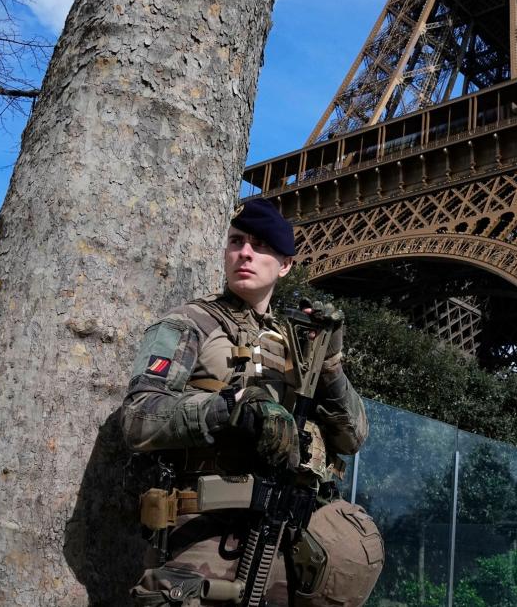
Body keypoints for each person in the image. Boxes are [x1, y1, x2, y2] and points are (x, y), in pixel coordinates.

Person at [120, 199, 382, 606]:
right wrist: (232, 409)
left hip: (288, 542)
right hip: (203, 537)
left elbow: (352, 437)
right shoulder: (190, 323)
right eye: (237, 241)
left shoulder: (299, 343)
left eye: (260, 246)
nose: (245, 252)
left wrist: (330, 363)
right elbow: (139, 419)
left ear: (285, 265)